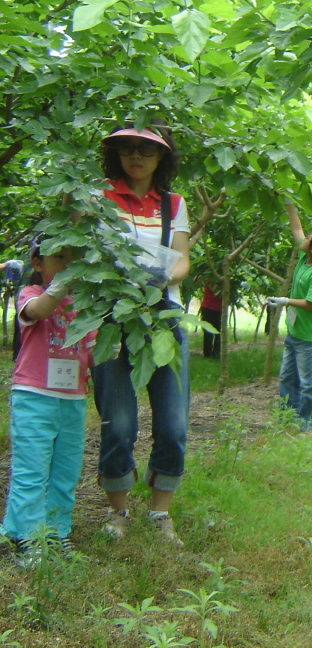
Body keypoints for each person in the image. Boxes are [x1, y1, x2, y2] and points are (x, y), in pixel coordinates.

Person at [93, 122, 191, 546]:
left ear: (162, 158)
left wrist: (159, 276)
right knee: (118, 423)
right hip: (111, 317)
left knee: (173, 422)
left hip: (163, 317)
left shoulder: (173, 204)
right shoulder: (98, 197)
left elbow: (183, 260)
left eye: (146, 151)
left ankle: (159, 513)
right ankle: (117, 512)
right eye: (127, 149)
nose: (136, 156)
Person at [2, 237, 95, 567]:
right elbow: (38, 312)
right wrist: (60, 286)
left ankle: (56, 532)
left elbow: (94, 347)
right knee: (32, 467)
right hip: (34, 396)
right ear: (38, 264)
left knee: (65, 469)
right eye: (59, 257)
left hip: (72, 399)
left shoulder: (83, 305)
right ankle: (26, 535)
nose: (68, 263)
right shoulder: (30, 295)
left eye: (74, 257)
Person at [266, 201, 312, 434]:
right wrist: (289, 205)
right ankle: (289, 418)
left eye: (309, 237)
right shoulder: (304, 259)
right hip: (295, 333)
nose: (304, 237)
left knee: (309, 384)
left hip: (310, 337)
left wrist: (285, 301)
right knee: (287, 379)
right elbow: (296, 230)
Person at [199, 281, 224, 359]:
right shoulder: (212, 278)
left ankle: (216, 354)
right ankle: (207, 354)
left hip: (219, 308)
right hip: (208, 307)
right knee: (208, 332)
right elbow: (214, 290)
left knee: (218, 332)